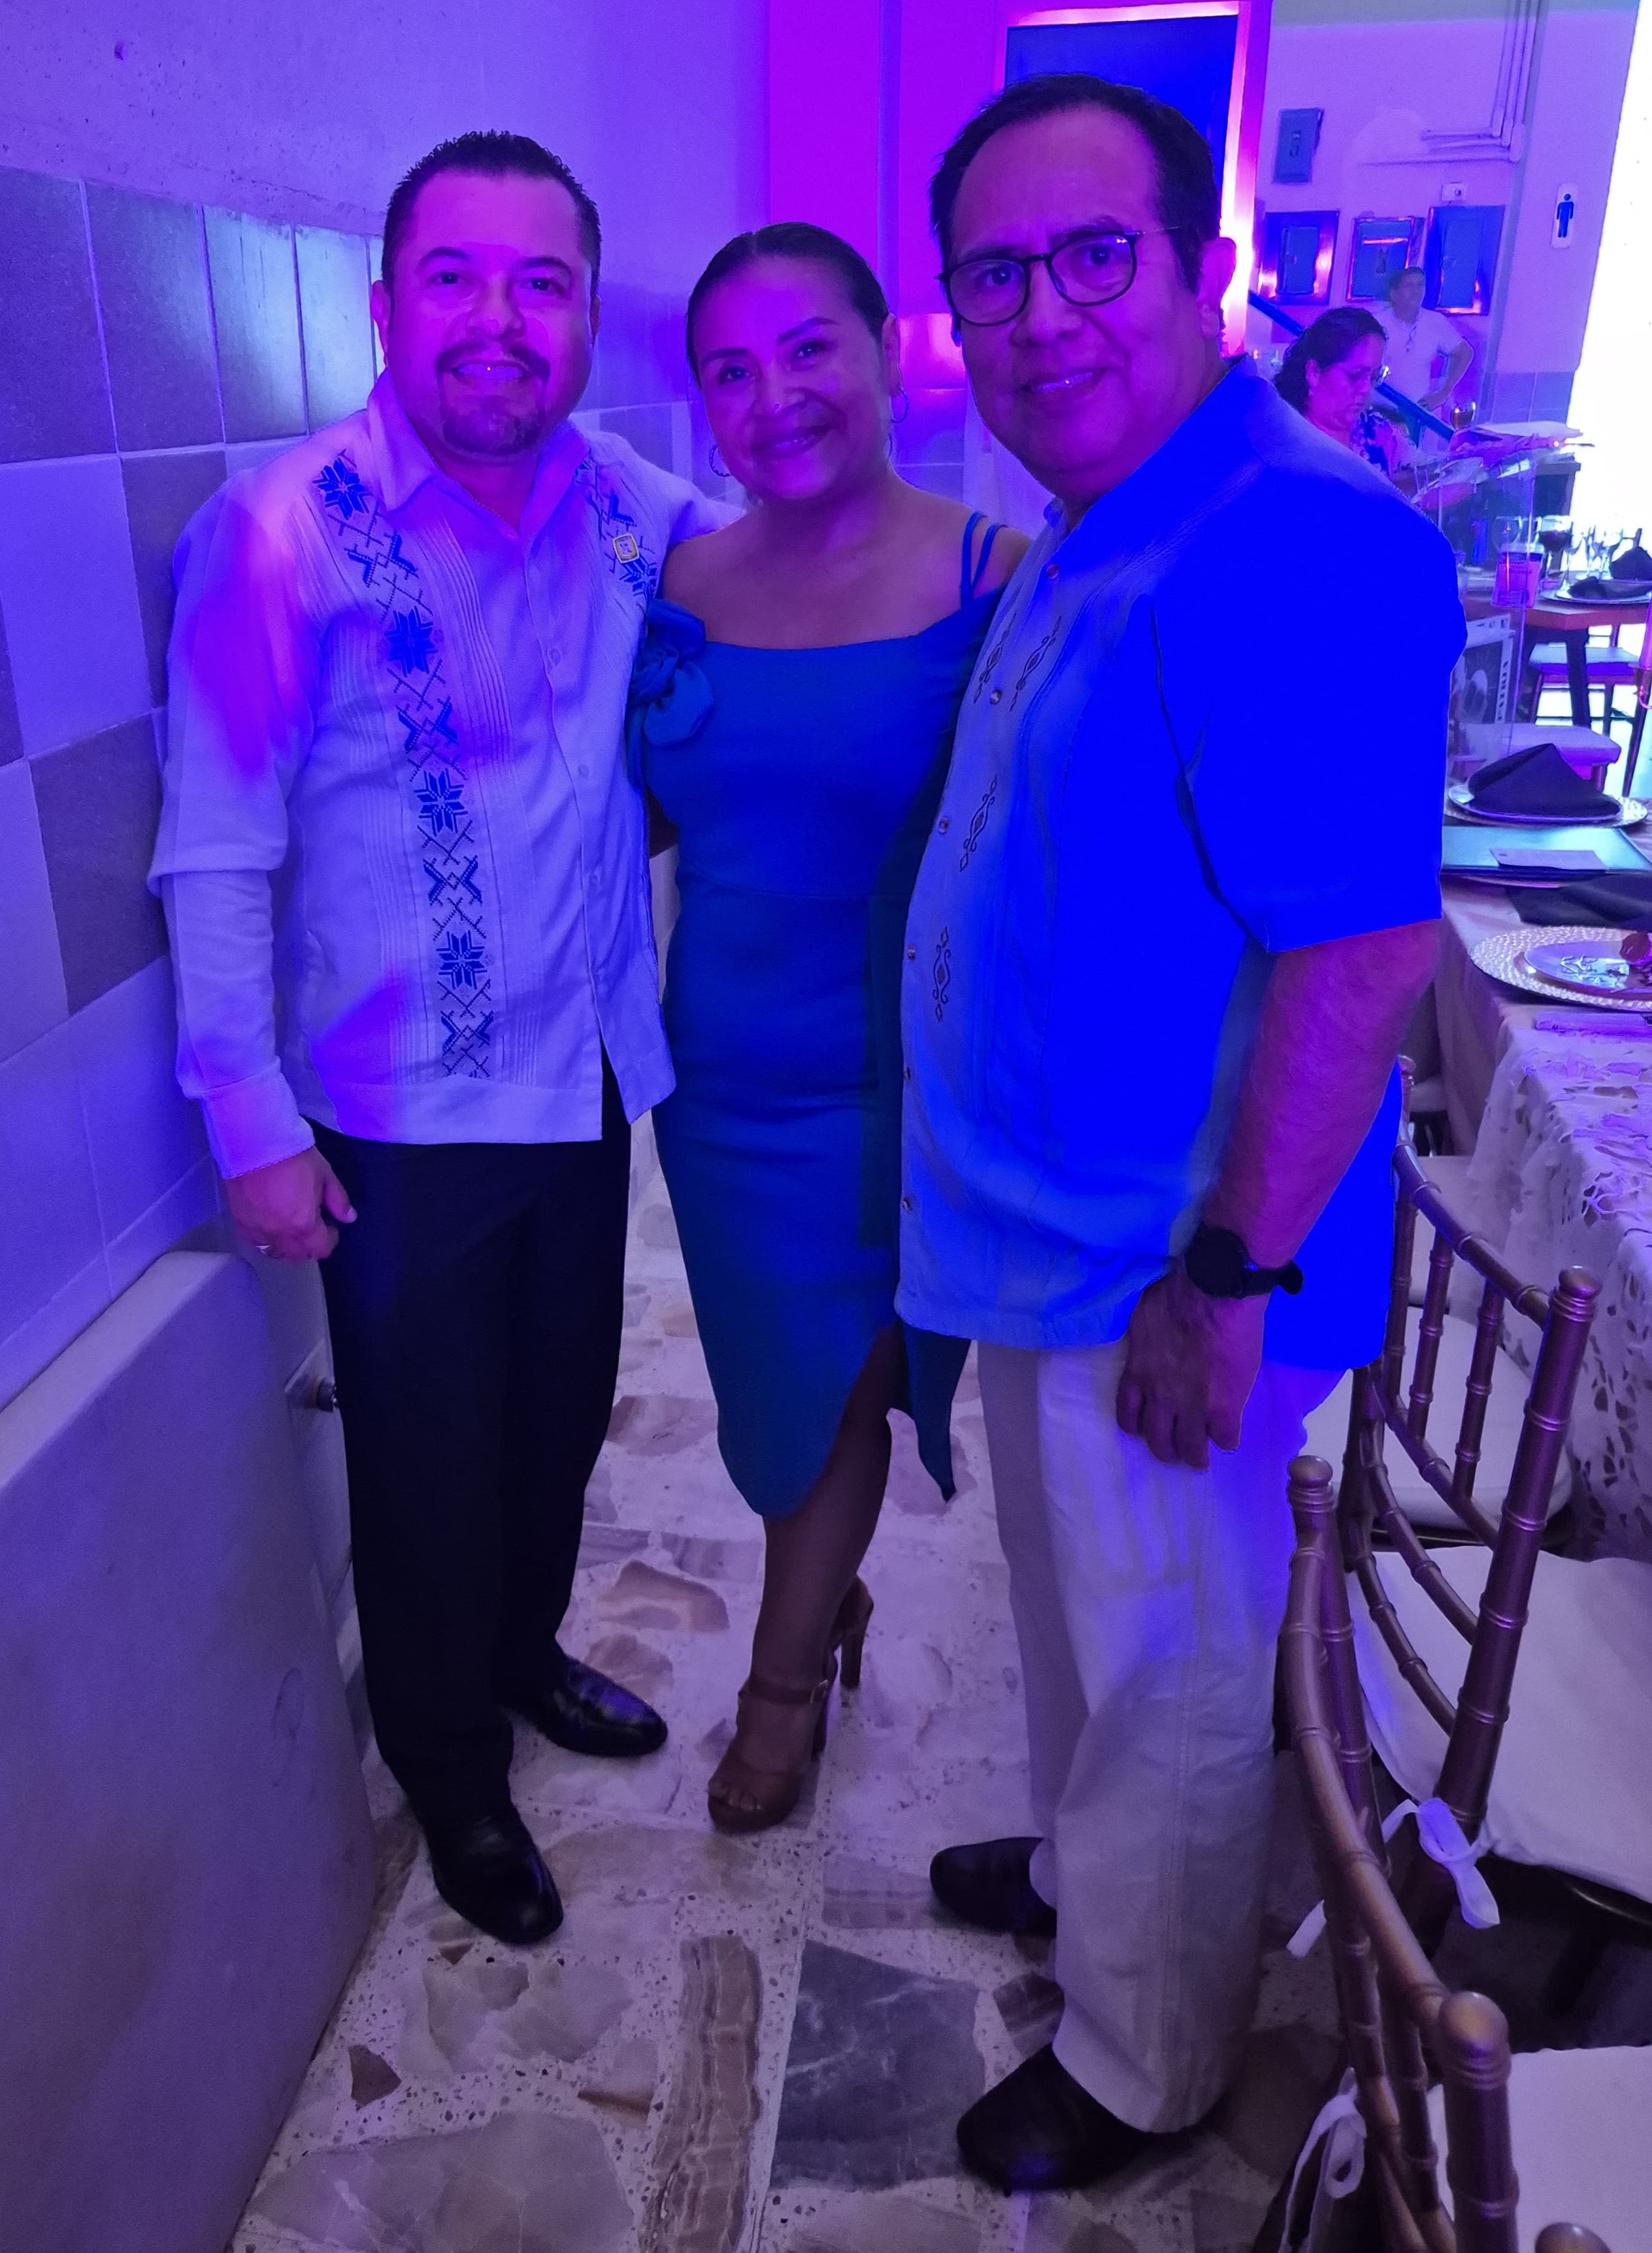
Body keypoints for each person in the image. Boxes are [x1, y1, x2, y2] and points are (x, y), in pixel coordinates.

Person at [900, 75, 1464, 2190]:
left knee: (1171, 1656)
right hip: (1058, 1228)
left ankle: (1141, 2056)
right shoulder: (1103, 513)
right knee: (1076, 1614)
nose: (1038, 313)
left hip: (1177, 1252)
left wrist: (1223, 1273)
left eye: (1090, 256)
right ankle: (1086, 1881)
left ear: (1204, 272)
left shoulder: (1292, 537)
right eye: (991, 275)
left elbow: (1359, 953)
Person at [152, 132, 730, 1948]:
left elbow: (783, 585)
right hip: (393, 1112)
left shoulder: (633, 503)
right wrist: (249, 1117)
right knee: (422, 1457)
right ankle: (449, 1759)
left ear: (585, 314)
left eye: (542, 282)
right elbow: (215, 848)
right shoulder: (274, 532)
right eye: (457, 277)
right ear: (383, 303)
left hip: (586, 1073)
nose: (501, 318)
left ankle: (521, 1649)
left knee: (557, 1414)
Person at [626, 224, 1026, 1831]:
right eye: (728, 369)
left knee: (844, 1383)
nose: (772, 394)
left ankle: (779, 1686)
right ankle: (826, 1590)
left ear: (887, 355)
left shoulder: (990, 577)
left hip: (882, 1089)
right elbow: (657, 813)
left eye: (807, 348)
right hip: (715, 1086)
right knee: (769, 1389)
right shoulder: (680, 582)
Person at [1274, 305, 1410, 478]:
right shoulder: (1283, 441)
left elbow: (1429, 476)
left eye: (1374, 377)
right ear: (1314, 373)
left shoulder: (1379, 432)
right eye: (1355, 375)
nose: (1366, 388)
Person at [1374, 265, 1472, 424]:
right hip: (1381, 414)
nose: (1416, 291)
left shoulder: (1435, 322)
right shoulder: (1376, 323)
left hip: (1419, 416)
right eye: (1409, 286)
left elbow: (1465, 353)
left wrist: (1444, 393)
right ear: (1394, 294)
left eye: (1420, 285)